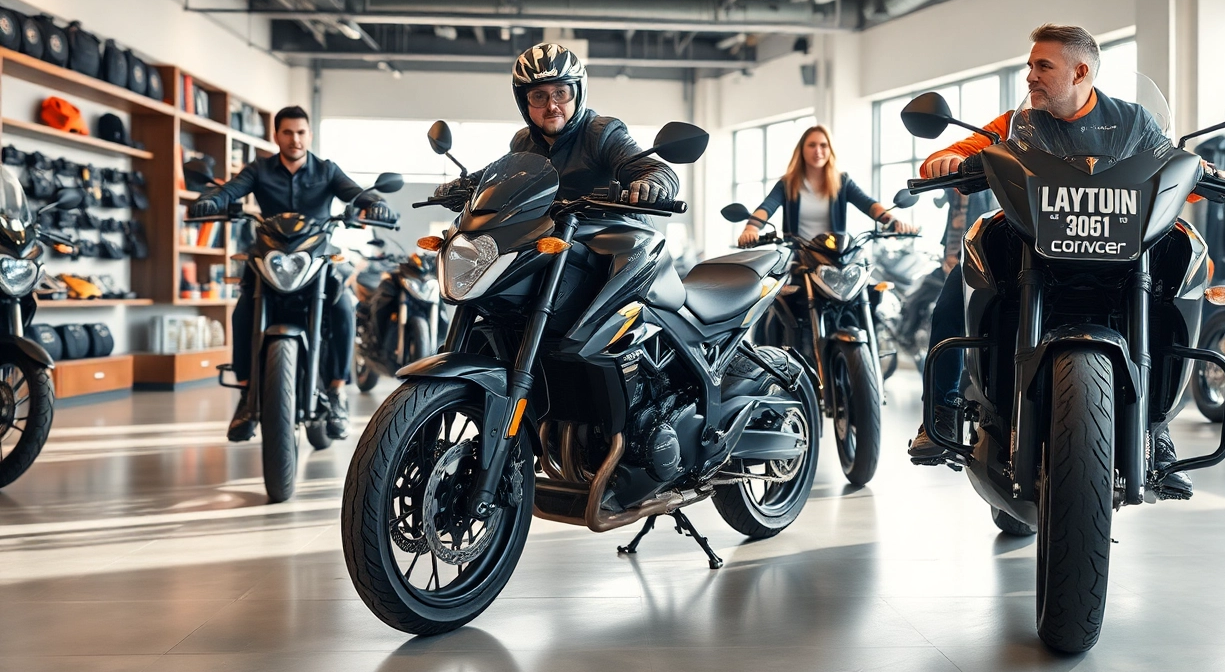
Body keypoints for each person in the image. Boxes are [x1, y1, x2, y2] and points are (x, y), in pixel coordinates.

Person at [906, 23, 1225, 501]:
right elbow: (957, 152)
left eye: (1043, 66)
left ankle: (1156, 428)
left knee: (1179, 268)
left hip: (1121, 248)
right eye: (1030, 65)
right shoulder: (1017, 122)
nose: (1031, 75)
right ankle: (941, 412)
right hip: (1032, 239)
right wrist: (942, 160)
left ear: (1081, 72)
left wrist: (1211, 174)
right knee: (964, 275)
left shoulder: (1134, 121)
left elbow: (1170, 164)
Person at [188, 106, 399, 442]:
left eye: (301, 132)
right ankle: (245, 395)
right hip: (269, 255)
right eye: (287, 132)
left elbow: (356, 193)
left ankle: (336, 391)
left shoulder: (327, 171)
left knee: (344, 307)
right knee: (243, 312)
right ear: (276, 135)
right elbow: (229, 190)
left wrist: (375, 204)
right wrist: (211, 200)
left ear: (309, 135)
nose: (295, 139)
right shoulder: (259, 169)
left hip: (316, 258)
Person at [433, 42, 680, 314]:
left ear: (577, 93)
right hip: (557, 253)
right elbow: (496, 176)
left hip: (614, 256)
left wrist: (652, 185)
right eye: (539, 96)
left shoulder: (601, 134)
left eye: (560, 93)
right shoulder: (524, 142)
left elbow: (653, 169)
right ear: (524, 102)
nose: (552, 106)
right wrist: (464, 187)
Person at [736, 124, 916, 247]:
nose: (818, 151)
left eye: (823, 145)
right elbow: (766, 208)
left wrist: (892, 221)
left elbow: (869, 205)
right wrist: (751, 229)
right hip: (797, 259)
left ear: (830, 150)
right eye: (812, 145)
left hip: (834, 256)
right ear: (802, 149)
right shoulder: (787, 183)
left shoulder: (842, 182)